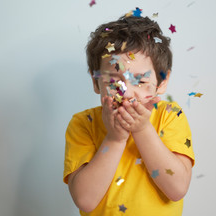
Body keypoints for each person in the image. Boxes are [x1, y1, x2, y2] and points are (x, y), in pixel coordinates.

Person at [63, 15, 195, 215]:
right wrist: (115, 139)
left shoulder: (170, 115)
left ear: (162, 81)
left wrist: (142, 129)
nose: (127, 94)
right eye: (113, 83)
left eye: (140, 82)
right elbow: (85, 200)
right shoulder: (83, 123)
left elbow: (176, 189)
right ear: (96, 82)